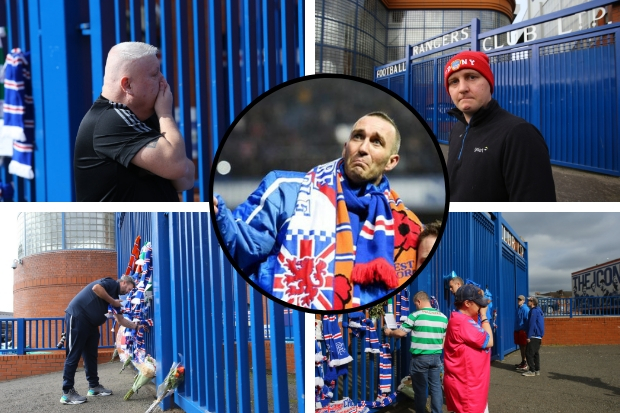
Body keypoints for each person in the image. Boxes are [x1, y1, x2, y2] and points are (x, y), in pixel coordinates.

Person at [213, 112, 423, 310]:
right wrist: (219, 217)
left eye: (376, 142)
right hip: (286, 326)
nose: (363, 148)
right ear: (345, 147)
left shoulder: (408, 227)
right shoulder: (286, 190)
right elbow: (241, 246)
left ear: (391, 161)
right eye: (358, 137)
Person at [74, 42, 195, 201]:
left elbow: (186, 179)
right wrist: (165, 114)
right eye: (154, 74)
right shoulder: (109, 121)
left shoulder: (144, 116)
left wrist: (168, 164)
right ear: (127, 84)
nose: (163, 81)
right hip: (118, 226)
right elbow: (178, 167)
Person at [444, 50, 556, 202]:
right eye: (454, 81)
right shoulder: (457, 130)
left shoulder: (519, 134)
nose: (462, 88)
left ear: (489, 83)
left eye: (472, 77)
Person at [60, 276, 147, 404]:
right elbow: (96, 288)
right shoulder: (111, 284)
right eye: (129, 288)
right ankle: (67, 393)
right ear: (124, 282)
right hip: (78, 317)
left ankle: (94, 387)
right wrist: (113, 301)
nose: (129, 291)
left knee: (91, 355)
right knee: (74, 355)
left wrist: (136, 326)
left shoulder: (115, 298)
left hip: (91, 324)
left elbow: (121, 320)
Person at [384, 291, 448, 413]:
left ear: (419, 301)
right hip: (436, 357)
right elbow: (444, 339)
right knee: (436, 387)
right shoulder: (443, 317)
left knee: (420, 388)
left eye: (415, 304)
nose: (416, 307)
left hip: (420, 358)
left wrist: (390, 333)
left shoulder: (416, 315)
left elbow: (401, 333)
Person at [444, 284, 494, 413]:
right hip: (467, 388)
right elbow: (489, 341)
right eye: (478, 304)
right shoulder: (462, 322)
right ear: (467, 303)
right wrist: (484, 316)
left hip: (471, 385)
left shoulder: (463, 319)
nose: (481, 307)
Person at [522, 296, 545, 377]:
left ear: (533, 302)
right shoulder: (538, 310)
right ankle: (537, 370)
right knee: (535, 354)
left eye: (530, 301)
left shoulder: (534, 312)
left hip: (534, 335)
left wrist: (528, 336)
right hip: (538, 336)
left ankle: (532, 370)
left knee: (528, 353)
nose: (528, 302)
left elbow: (531, 324)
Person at [514, 295, 530, 370]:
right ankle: (523, 361)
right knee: (521, 346)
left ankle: (526, 362)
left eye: (520, 300)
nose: (519, 301)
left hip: (523, 330)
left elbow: (527, 320)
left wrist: (526, 330)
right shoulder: (518, 309)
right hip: (518, 329)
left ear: (524, 301)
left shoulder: (525, 309)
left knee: (524, 347)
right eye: (518, 299)